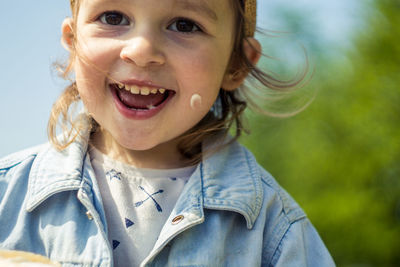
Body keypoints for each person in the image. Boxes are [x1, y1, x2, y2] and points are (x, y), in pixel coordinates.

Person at [0, 0, 335, 266]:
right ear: (73, 43)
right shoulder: (8, 197)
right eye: (113, 17)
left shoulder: (273, 231)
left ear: (236, 65)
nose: (141, 50)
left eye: (184, 25)